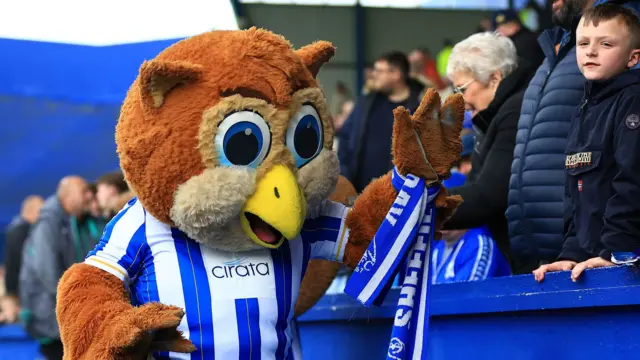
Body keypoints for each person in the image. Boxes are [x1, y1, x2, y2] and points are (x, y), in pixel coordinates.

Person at [506, 0, 634, 274]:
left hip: (622, 265)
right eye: (583, 43)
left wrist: (618, 251)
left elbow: (632, 182)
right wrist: (572, 254)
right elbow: (577, 194)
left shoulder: (632, 102)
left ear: (633, 57)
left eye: (606, 44)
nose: (591, 52)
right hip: (590, 262)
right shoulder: (584, 108)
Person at [439, 32, 537, 261]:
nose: (459, 100)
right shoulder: (494, 115)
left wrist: (420, 208)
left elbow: (488, 197)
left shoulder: (515, 112)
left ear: (494, 78)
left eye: (462, 89)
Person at [19, 176, 95, 360]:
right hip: (52, 319)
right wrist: (75, 303)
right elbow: (47, 272)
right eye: (83, 191)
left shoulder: (78, 222)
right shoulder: (48, 224)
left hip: (67, 316)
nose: (89, 195)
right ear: (67, 196)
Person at [337, 51, 424, 193]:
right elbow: (346, 136)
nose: (373, 75)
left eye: (379, 71)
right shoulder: (366, 103)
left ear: (396, 74)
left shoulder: (418, 110)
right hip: (358, 191)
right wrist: (345, 175)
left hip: (397, 194)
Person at [435, 135, 512, 284]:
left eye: (446, 209)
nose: (441, 218)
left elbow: (463, 301)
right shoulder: (438, 247)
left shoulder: (479, 242)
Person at [0, 195, 43, 323]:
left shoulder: (16, 229)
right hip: (21, 291)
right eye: (42, 211)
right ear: (32, 211)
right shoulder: (21, 232)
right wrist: (12, 292)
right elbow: (17, 263)